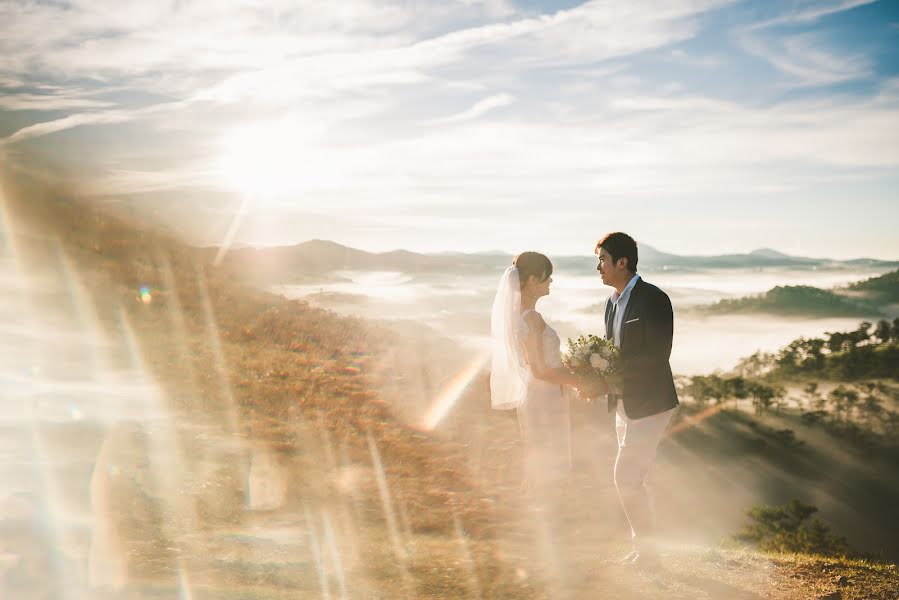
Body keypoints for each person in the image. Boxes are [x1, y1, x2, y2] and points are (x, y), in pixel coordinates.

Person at [591, 232, 679, 569]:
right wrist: (596, 375)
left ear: (622, 262)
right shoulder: (610, 303)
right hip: (623, 404)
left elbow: (658, 355)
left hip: (652, 404)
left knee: (625, 478)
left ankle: (649, 554)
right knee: (635, 480)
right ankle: (646, 549)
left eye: (602, 259)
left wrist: (614, 373)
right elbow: (610, 351)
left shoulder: (654, 299)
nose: (598, 267)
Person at [490, 251, 579, 492]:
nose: (551, 281)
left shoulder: (519, 317)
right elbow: (540, 369)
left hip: (541, 396)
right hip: (544, 398)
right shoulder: (531, 320)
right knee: (547, 467)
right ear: (532, 281)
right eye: (547, 276)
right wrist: (581, 381)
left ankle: (540, 515)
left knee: (543, 463)